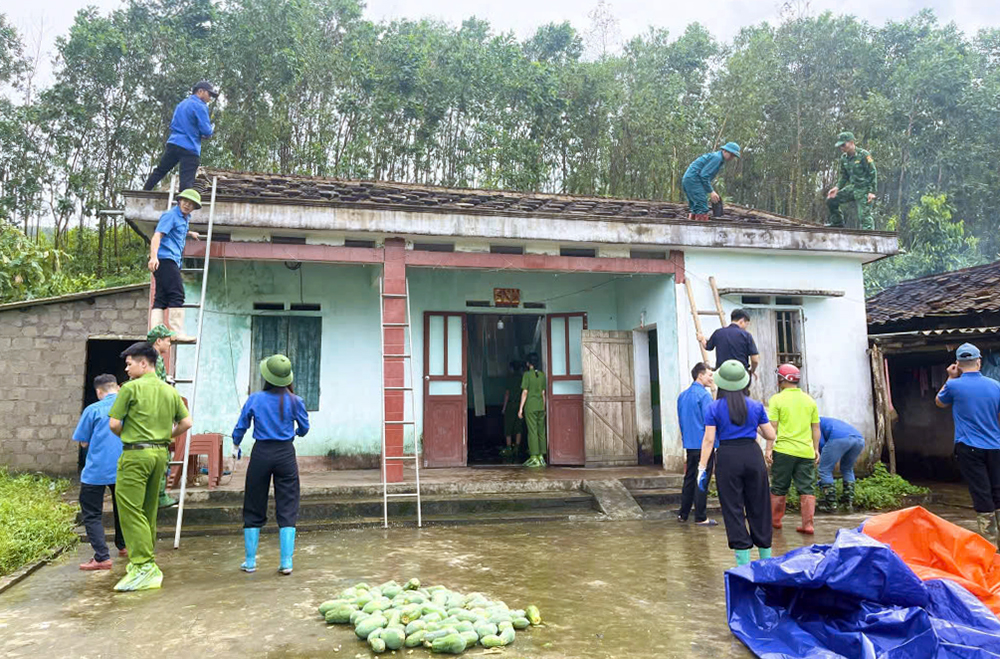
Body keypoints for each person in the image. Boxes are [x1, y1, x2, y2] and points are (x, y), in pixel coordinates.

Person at [108, 342, 192, 591]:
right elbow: (186, 422)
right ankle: (144, 564)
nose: (126, 368)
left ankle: (144, 565)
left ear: (144, 363)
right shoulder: (169, 391)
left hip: (136, 454)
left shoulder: (130, 389)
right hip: (160, 454)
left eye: (130, 362)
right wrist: (166, 434)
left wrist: (130, 433)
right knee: (148, 510)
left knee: (130, 510)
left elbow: (114, 424)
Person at [233, 354, 310, 575]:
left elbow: (241, 426)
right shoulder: (296, 401)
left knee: (254, 503)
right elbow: (304, 428)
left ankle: (250, 562)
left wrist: (235, 445)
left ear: (266, 376)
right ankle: (286, 563)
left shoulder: (255, 399)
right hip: (286, 453)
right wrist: (294, 432)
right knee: (288, 504)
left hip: (261, 454)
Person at [697, 360, 777, 566]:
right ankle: (765, 561)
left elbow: (708, 440)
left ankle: (743, 565)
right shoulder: (756, 405)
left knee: (733, 508)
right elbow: (770, 434)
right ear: (744, 382)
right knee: (759, 505)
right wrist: (755, 426)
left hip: (728, 457)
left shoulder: (713, 408)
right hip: (752, 455)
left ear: (722, 383)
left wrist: (702, 467)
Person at [935, 342, 1000, 546]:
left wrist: (951, 376)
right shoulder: (996, 385)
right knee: (998, 490)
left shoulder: (954, 386)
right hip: (995, 446)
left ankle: (991, 546)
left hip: (969, 448)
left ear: (958, 364)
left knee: (981, 492)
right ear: (979, 362)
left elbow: (940, 401)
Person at [73, 374, 126, 570]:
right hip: (123, 467)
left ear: (98, 392)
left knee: (92, 513)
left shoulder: (93, 410)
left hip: (96, 471)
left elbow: (83, 441)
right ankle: (124, 545)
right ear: (118, 388)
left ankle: (102, 557)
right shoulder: (127, 408)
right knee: (123, 508)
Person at [767, 363, 820, 535]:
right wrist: (815, 449)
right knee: (807, 487)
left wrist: (768, 449)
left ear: (781, 380)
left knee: (779, 486)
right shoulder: (809, 400)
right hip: (806, 451)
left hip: (784, 451)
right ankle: (808, 524)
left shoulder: (777, 399)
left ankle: (775, 521)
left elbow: (772, 427)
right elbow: (816, 428)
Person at [143, 80, 218, 192]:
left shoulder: (181, 105)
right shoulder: (200, 106)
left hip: (173, 143)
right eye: (209, 94)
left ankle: (144, 191)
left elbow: (173, 124)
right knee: (186, 181)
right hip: (190, 148)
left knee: (160, 170)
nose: (210, 98)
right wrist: (205, 134)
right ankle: (183, 206)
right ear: (200, 91)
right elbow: (206, 131)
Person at [148, 189, 202, 342]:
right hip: (165, 259)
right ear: (179, 201)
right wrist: (153, 257)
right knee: (177, 294)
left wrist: (190, 233)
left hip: (169, 260)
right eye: (185, 201)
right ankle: (176, 332)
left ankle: (156, 332)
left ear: (194, 207)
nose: (187, 205)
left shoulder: (184, 218)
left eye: (191, 204)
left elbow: (176, 230)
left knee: (161, 297)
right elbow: (157, 235)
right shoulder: (171, 215)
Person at [676, 362, 717, 525]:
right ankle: (701, 517)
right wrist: (714, 392)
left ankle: (683, 514)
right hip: (704, 444)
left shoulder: (683, 395)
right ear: (700, 375)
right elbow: (711, 418)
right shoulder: (704, 396)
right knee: (702, 479)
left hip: (690, 443)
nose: (711, 378)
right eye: (709, 375)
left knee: (690, 478)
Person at [147, 323, 179, 508]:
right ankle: (159, 496)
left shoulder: (151, 358)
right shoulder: (156, 360)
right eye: (168, 341)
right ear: (158, 341)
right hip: (157, 415)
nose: (169, 344)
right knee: (162, 455)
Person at [826, 131, 877, 230]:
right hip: (853, 188)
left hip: (864, 189)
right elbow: (844, 176)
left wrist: (872, 192)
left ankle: (870, 239)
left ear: (851, 142)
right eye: (840, 146)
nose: (842, 148)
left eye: (843, 145)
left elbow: (872, 173)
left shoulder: (863, 155)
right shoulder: (844, 158)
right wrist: (837, 188)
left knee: (864, 216)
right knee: (832, 200)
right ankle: (837, 222)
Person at [817, 416, 865, 514]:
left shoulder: (814, 423)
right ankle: (848, 503)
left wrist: (820, 457)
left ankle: (831, 505)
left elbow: (821, 443)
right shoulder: (826, 420)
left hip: (839, 438)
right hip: (859, 439)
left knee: (824, 470)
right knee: (847, 469)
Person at [682, 142, 741, 221]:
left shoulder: (718, 158)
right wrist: (711, 191)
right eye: (731, 155)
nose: (732, 158)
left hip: (689, 180)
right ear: (725, 151)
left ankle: (691, 225)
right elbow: (704, 175)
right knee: (702, 207)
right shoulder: (717, 158)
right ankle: (701, 230)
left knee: (695, 207)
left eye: (734, 156)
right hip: (694, 180)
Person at [699, 308, 759, 376]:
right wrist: (752, 370)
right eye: (747, 324)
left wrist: (702, 339)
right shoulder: (746, 335)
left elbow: (707, 346)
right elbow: (755, 360)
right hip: (740, 374)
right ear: (741, 321)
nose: (746, 327)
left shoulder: (718, 333)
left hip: (723, 374)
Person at [518, 352, 547, 468]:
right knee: (541, 431)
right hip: (540, 406)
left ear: (528, 363)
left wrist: (520, 409)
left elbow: (525, 392)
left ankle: (534, 457)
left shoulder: (527, 375)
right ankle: (541, 456)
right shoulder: (542, 375)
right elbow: (543, 393)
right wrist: (544, 407)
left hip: (531, 406)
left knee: (532, 431)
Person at [501, 360, 524, 457]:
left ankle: (509, 448)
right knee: (518, 426)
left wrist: (504, 408)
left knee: (508, 427)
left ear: (511, 368)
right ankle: (517, 448)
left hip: (510, 405)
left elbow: (507, 394)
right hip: (519, 405)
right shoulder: (522, 378)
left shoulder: (509, 379)